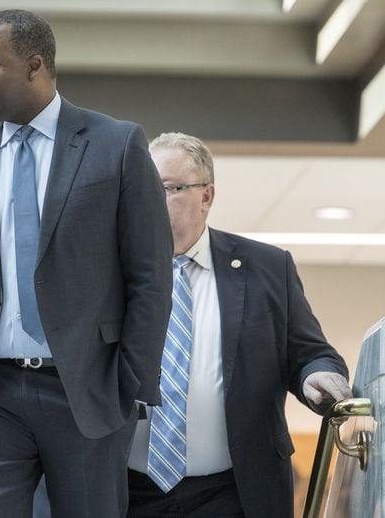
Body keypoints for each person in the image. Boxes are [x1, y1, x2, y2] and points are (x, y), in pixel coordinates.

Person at [0, 9, 173, 517]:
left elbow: (150, 277)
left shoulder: (115, 145)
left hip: (86, 392)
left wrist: (130, 386)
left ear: (34, 66)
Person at [126, 132, 351, 517]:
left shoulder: (266, 268)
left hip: (231, 490)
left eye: (169, 188)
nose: (151, 199)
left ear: (206, 196)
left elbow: (311, 354)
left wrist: (318, 375)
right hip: (128, 490)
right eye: (143, 187)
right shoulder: (112, 269)